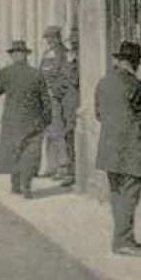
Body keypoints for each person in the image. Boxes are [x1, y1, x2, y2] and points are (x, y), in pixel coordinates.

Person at [95, 41, 141, 256]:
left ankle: (123, 238)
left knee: (117, 194)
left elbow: (98, 114)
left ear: (118, 60)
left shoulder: (103, 83)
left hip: (109, 148)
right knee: (130, 196)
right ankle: (123, 242)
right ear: (136, 62)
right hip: (132, 149)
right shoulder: (136, 86)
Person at [0, 40, 50, 198]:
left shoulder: (5, 72)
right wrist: (47, 119)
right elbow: (45, 98)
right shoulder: (37, 73)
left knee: (14, 151)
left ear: (13, 56)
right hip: (33, 119)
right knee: (30, 153)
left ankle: (15, 184)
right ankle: (27, 186)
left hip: (12, 120)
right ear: (26, 55)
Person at [39, 25, 79, 185]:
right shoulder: (47, 54)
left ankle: (65, 167)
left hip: (60, 98)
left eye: (52, 38)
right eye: (48, 38)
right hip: (48, 98)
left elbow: (67, 77)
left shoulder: (66, 55)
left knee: (61, 132)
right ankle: (53, 166)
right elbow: (41, 74)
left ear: (58, 38)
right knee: (51, 132)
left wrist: (55, 91)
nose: (50, 41)